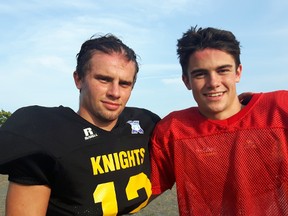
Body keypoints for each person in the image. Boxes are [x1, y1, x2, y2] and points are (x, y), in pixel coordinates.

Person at [0, 34, 160, 215]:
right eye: (104, 79)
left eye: (124, 83)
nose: (115, 92)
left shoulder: (145, 124)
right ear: (78, 79)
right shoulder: (46, 131)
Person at [149, 26, 288, 215]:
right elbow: (140, 192)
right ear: (186, 81)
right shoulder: (173, 130)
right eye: (200, 74)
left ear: (238, 72)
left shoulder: (279, 109)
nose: (213, 82)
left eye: (223, 70)